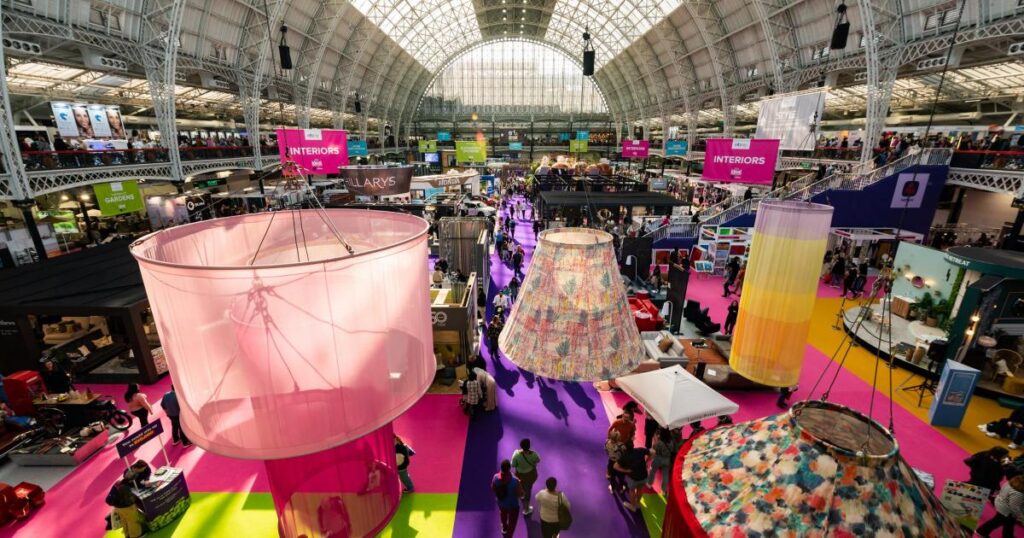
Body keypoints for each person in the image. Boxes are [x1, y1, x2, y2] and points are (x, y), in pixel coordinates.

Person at [492, 460, 524, 537]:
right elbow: (520, 494)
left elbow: (493, 488)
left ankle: (504, 528)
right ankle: (509, 535)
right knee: (512, 523)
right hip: (513, 505)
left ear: (501, 468)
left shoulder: (495, 477)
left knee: (503, 515)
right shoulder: (515, 481)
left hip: (501, 502)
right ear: (509, 468)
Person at [614, 445, 651, 512]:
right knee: (640, 489)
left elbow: (615, 466)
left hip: (634, 478)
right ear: (633, 445)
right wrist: (647, 461)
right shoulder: (640, 450)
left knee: (632, 491)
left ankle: (633, 506)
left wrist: (626, 470)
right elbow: (653, 452)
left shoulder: (625, 455)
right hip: (643, 476)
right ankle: (638, 503)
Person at [511, 438, 541, 515]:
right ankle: (526, 509)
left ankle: (522, 496)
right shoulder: (533, 454)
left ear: (521, 446)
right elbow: (538, 460)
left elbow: (513, 465)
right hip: (530, 475)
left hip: (519, 475)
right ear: (529, 446)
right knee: (528, 489)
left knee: (521, 486)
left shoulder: (516, 454)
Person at [647, 428, 678, 494]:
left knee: (652, 471)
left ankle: (649, 483)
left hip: (658, 458)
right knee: (665, 475)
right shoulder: (671, 441)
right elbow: (674, 450)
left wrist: (655, 440)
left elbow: (654, 449)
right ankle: (663, 490)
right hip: (667, 459)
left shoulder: (659, 442)